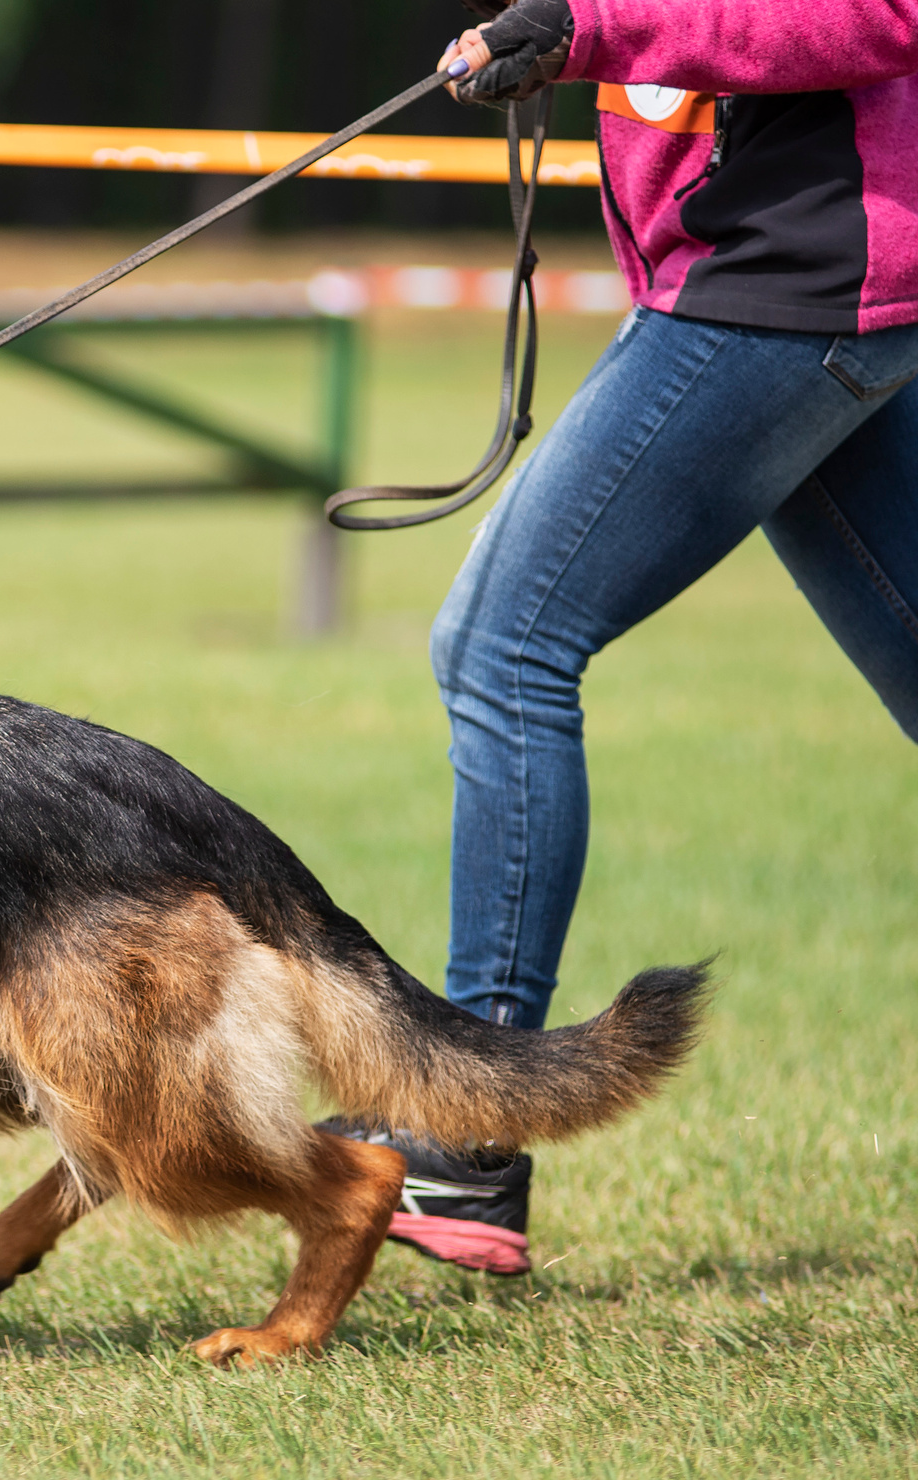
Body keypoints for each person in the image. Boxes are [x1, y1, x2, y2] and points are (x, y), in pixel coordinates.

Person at [331, 0, 918, 1273]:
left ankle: (467, 1130)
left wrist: (594, 30)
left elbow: (876, 20)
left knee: (504, 651)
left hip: (783, 284)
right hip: (790, 282)